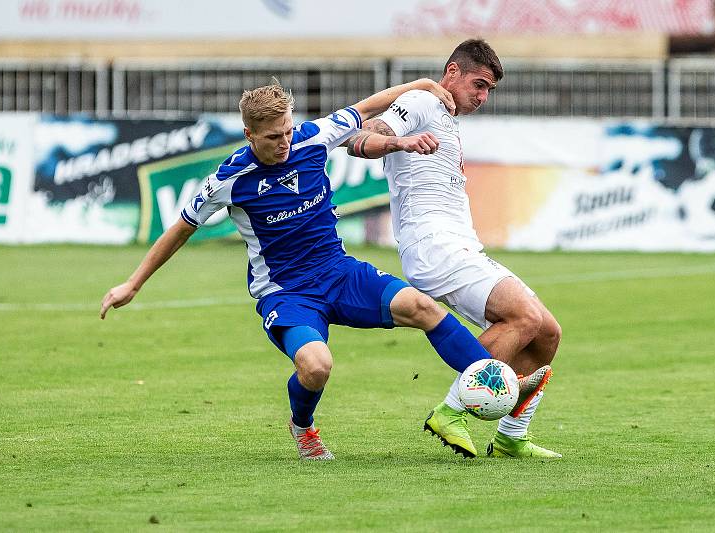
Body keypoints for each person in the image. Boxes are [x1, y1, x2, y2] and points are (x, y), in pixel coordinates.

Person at [100, 78, 549, 461]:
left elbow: (367, 106)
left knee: (422, 306)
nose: (285, 143)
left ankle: (498, 382)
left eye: (288, 132)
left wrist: (423, 86)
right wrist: (132, 284)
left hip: (338, 272)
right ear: (248, 134)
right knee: (316, 366)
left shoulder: (313, 137)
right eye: (273, 136)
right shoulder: (229, 179)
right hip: (287, 292)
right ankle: (303, 427)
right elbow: (180, 228)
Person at [345, 39, 563, 459]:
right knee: (524, 316)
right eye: (478, 85)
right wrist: (397, 142)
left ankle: (510, 436)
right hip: (434, 245)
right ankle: (451, 410)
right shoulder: (422, 102)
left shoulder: (447, 118)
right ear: (452, 73)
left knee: (546, 333)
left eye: (488, 91)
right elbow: (363, 137)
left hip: (460, 245)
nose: (482, 97)